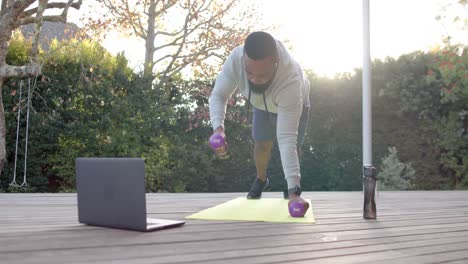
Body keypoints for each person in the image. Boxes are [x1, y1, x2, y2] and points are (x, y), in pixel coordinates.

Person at [209, 31, 310, 210]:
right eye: (249, 73)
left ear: (275, 60)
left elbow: (287, 140)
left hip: (292, 103)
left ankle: (292, 188)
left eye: (262, 75)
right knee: (261, 144)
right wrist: (218, 129)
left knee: (293, 146)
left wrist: (294, 193)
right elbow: (218, 95)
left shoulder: (291, 80)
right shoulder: (235, 59)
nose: (255, 79)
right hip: (260, 104)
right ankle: (261, 179)